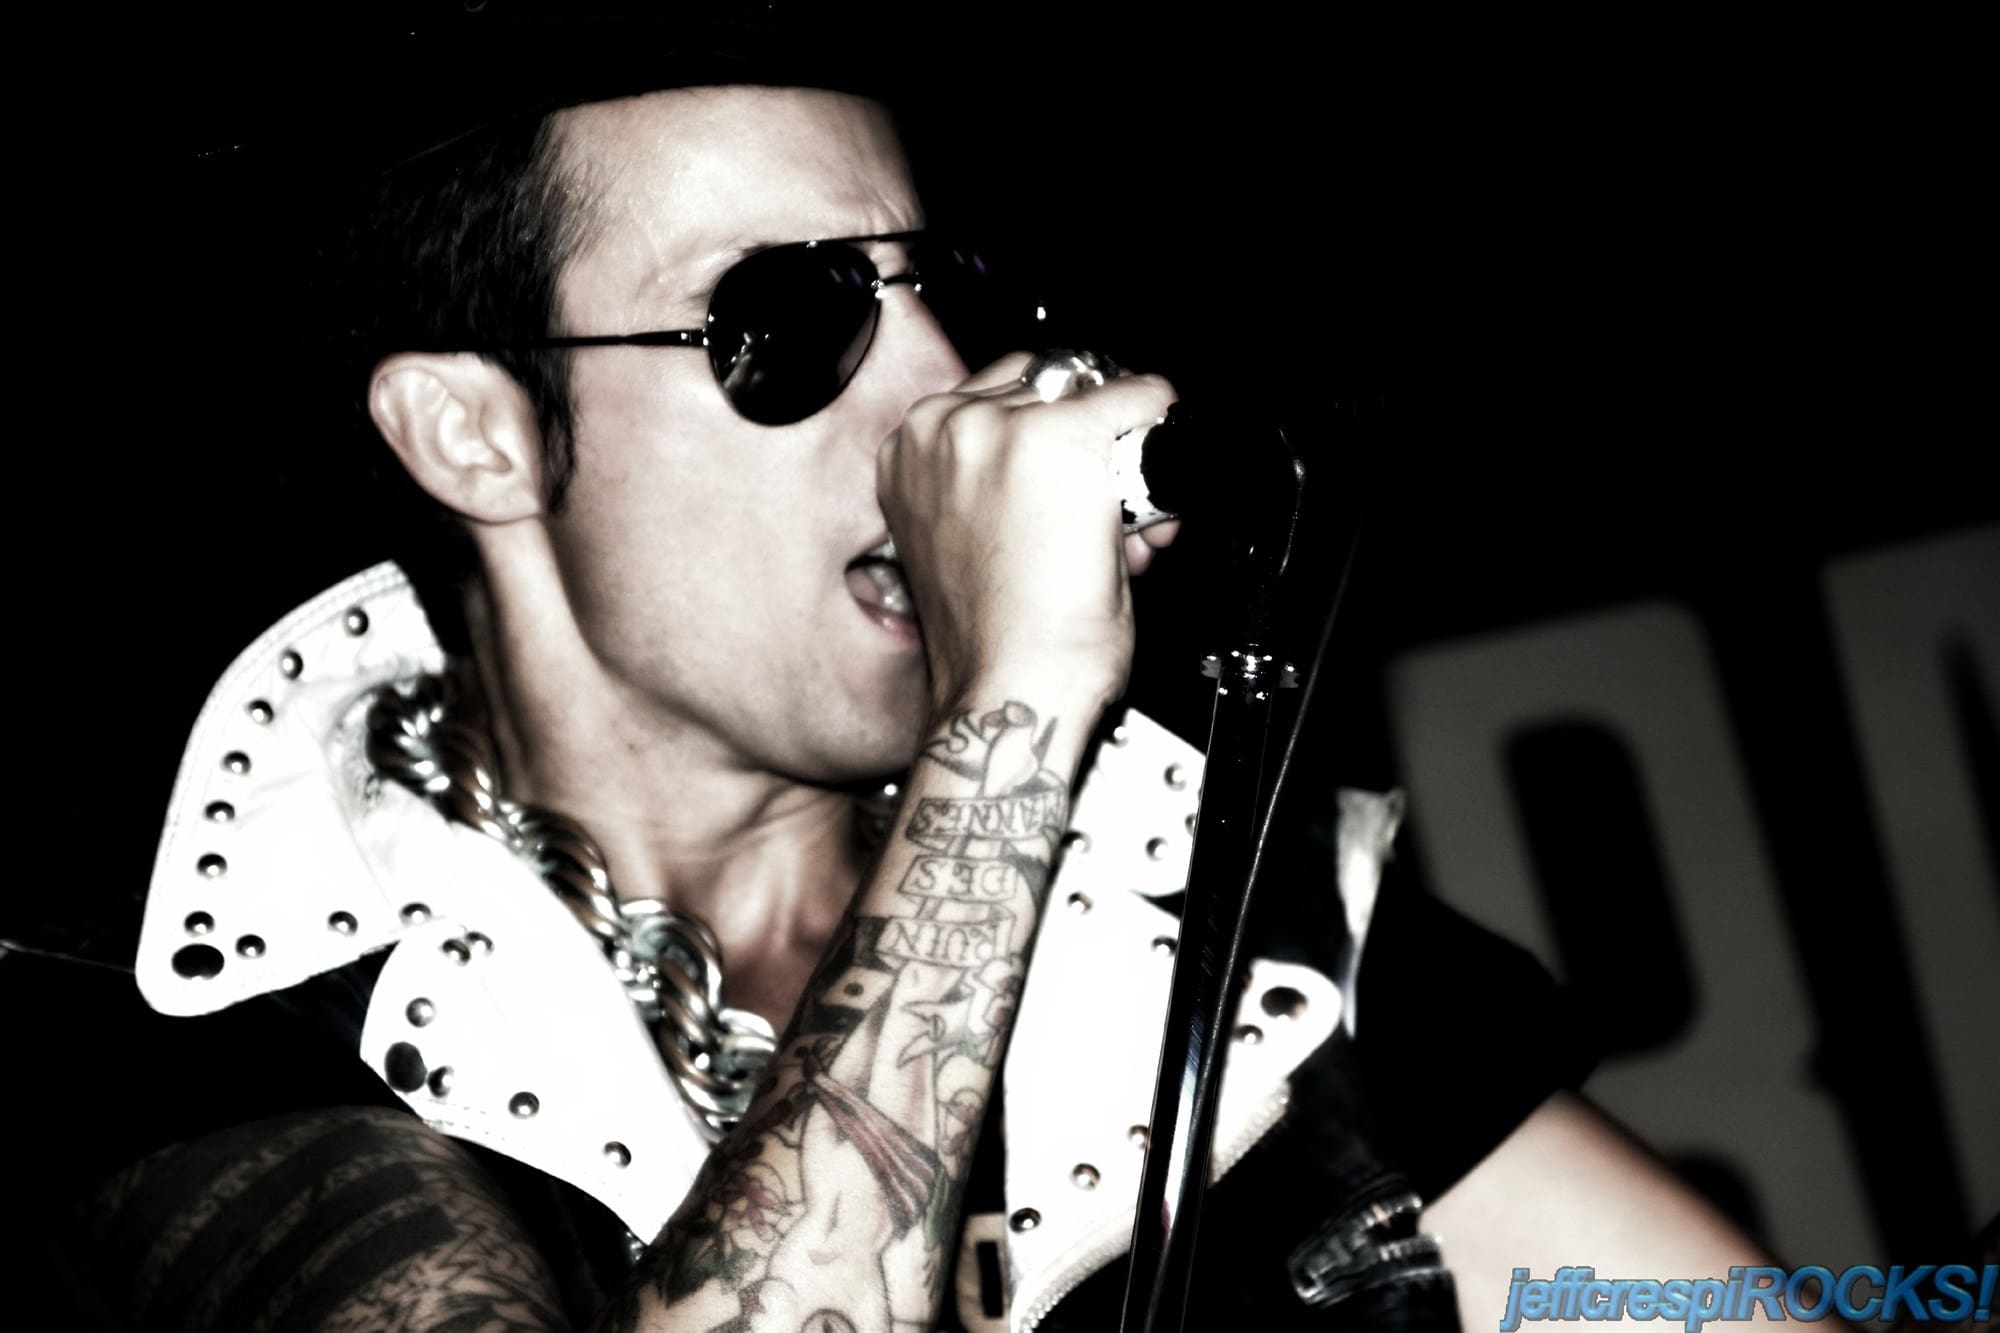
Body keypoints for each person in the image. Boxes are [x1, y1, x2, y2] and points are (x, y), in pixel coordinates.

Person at [6, 15, 1780, 1332]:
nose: (937, 381)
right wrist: (1010, 708)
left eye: (936, 289)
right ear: (476, 433)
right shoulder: (202, 1001)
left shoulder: (1214, 900)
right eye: (786, 319)